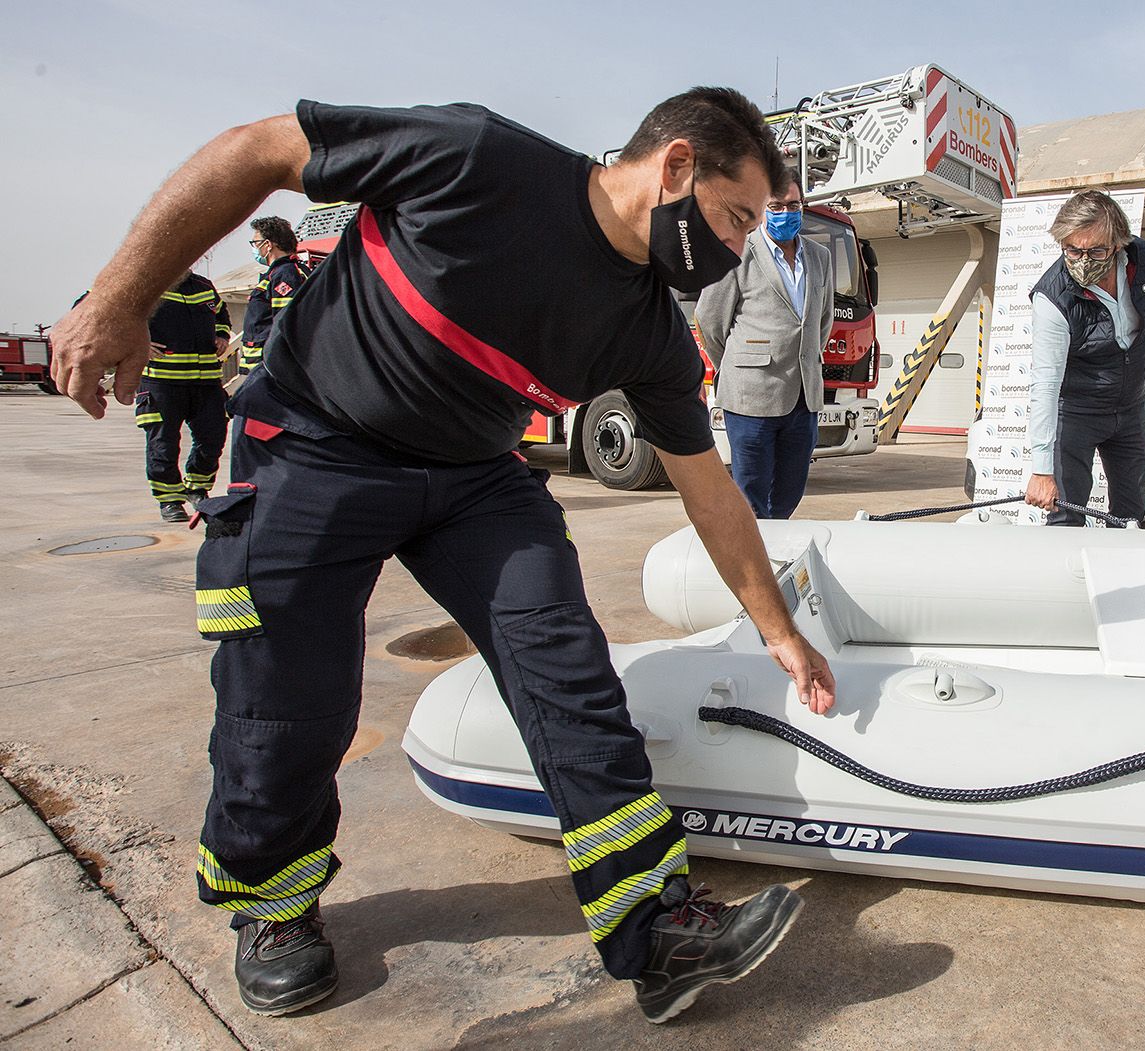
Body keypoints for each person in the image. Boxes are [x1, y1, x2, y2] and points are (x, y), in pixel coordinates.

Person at [50, 90, 836, 1025]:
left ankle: (655, 926)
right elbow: (254, 150)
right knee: (289, 703)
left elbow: (711, 491)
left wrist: (778, 630)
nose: (742, 247)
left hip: (475, 477)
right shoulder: (475, 158)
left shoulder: (650, 332)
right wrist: (118, 298)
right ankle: (272, 907)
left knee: (569, 675)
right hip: (316, 442)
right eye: (736, 216)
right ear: (673, 169)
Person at [1023, 190, 1145, 526]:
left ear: (1118, 243)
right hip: (1076, 414)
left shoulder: (1142, 259)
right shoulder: (1052, 298)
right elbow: (1045, 384)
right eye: (1073, 250)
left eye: (1096, 250)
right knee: (1066, 516)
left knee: (1130, 516)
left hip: (1130, 409)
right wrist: (1042, 470)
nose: (1084, 260)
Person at [696, 167, 832, 519]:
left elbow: (822, 320)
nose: (786, 213)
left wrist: (807, 360)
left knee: (789, 494)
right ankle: (753, 567)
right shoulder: (737, 251)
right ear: (760, 209)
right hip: (751, 397)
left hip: (803, 398)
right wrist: (739, 365)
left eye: (793, 205)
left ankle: (777, 559)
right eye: (776, 206)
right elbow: (710, 321)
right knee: (750, 495)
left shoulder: (819, 257)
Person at [75, 271, 231, 521]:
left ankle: (197, 488)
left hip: (206, 382)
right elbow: (90, 306)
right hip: (161, 383)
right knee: (163, 445)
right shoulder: (144, 283)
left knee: (213, 437)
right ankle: (169, 500)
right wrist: (134, 343)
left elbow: (221, 313)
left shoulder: (203, 285)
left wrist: (222, 335)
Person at [239, 215, 310, 375]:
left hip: (269, 366)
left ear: (268, 245)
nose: (254, 248)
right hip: (261, 365)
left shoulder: (285, 274)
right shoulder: (278, 273)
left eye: (255, 243)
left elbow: (283, 321)